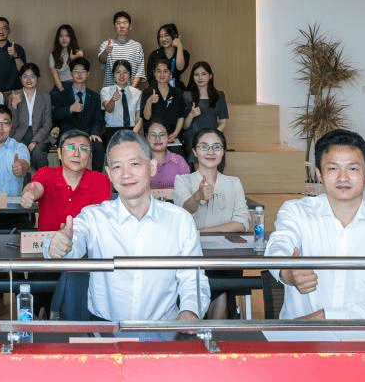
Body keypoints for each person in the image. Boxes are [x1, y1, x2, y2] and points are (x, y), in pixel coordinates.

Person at [44, 130, 209, 324]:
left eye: (135, 164)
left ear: (152, 167)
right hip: (105, 332)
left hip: (163, 330)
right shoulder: (94, 217)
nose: (126, 174)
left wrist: (190, 311)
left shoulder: (180, 220)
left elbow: (193, 279)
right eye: (117, 167)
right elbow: (73, 242)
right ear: (109, 174)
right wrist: (58, 245)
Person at [266, 129, 365, 320]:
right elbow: (278, 245)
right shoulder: (296, 212)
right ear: (319, 174)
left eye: (353, 169)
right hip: (299, 335)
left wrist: (325, 318)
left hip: (361, 336)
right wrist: (287, 273)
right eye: (333, 168)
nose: (343, 177)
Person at [173, 128, 249, 318]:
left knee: (223, 280)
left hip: (227, 256)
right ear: (195, 152)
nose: (211, 152)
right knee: (218, 289)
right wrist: (197, 196)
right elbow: (184, 210)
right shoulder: (183, 181)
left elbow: (241, 223)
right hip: (194, 255)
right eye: (204, 147)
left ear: (223, 152)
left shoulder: (233, 182)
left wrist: (201, 232)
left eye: (216, 147)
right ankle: (214, 330)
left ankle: (210, 330)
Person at [19, 129, 111, 231]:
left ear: (90, 155)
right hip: (48, 240)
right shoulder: (45, 173)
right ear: (59, 153)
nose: (76, 154)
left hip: (85, 240)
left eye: (83, 148)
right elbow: (35, 187)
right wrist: (29, 194)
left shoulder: (100, 180)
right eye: (70, 147)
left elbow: (99, 219)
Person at [51, 57, 105, 170]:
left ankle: (96, 178)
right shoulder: (62, 94)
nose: (79, 74)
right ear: (71, 75)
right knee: (65, 146)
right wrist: (70, 109)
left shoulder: (95, 96)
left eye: (83, 71)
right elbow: (55, 115)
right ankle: (65, 178)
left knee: (98, 147)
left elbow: (99, 119)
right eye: (76, 71)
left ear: (88, 74)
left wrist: (94, 133)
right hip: (68, 133)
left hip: (88, 134)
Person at [8, 62, 54, 172]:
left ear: (37, 78)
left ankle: (43, 179)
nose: (28, 80)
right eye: (25, 76)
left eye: (32, 76)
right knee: (20, 154)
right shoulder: (14, 96)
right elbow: (11, 124)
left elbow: (48, 123)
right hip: (20, 135)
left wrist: (35, 140)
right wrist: (14, 106)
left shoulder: (45, 97)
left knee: (38, 152)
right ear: (20, 78)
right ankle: (25, 181)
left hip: (40, 134)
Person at [182, 61, 229, 157]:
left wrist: (212, 135)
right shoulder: (186, 96)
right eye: (196, 75)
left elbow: (223, 122)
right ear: (193, 77)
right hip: (193, 138)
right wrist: (191, 115)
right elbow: (184, 126)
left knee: (214, 147)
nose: (200, 78)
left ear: (210, 76)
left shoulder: (219, 95)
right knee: (192, 144)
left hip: (214, 135)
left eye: (203, 74)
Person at [141, 59, 186, 146]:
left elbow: (181, 117)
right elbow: (146, 117)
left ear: (170, 73)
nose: (162, 75)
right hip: (153, 138)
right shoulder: (147, 92)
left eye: (165, 71)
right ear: (154, 73)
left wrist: (175, 134)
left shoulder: (178, 93)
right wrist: (149, 101)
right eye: (159, 71)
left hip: (172, 137)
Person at [99, 59, 143, 147]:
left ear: (129, 75)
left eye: (125, 72)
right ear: (113, 75)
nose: (121, 75)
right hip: (112, 131)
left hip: (131, 130)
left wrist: (133, 134)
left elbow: (138, 118)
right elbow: (108, 109)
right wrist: (113, 100)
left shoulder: (137, 93)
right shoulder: (106, 90)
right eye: (118, 72)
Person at [98, 11, 145, 88]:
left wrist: (130, 90)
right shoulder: (106, 44)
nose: (122, 26)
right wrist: (106, 52)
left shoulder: (137, 47)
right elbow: (102, 60)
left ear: (130, 27)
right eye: (118, 23)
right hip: (109, 91)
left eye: (125, 23)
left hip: (130, 91)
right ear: (114, 26)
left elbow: (139, 72)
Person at [145, 119, 189, 189]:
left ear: (168, 137)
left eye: (162, 135)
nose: (158, 139)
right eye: (153, 135)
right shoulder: (140, 162)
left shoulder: (178, 161)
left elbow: (187, 188)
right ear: (147, 137)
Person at [146, 23, 190, 90]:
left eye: (166, 35)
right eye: (161, 36)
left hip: (177, 89)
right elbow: (150, 77)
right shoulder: (155, 55)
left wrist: (179, 47)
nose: (163, 39)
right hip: (159, 89)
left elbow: (180, 68)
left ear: (174, 36)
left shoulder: (184, 53)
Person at [48, 24, 84, 93]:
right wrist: (62, 90)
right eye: (61, 36)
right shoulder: (53, 55)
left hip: (74, 84)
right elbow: (55, 76)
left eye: (67, 36)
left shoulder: (78, 52)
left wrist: (73, 59)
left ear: (71, 38)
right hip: (60, 86)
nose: (64, 39)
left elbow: (80, 74)